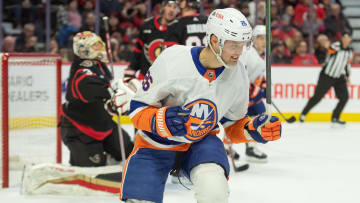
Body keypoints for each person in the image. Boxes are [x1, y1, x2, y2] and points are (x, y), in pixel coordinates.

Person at [119, 8, 282, 203]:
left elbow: (231, 126)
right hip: (156, 144)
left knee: (214, 192)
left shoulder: (239, 73)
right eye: (234, 45)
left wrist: (252, 129)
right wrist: (160, 120)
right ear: (214, 41)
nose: (239, 53)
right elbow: (137, 110)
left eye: (243, 45)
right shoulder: (173, 59)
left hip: (202, 142)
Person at [60, 31, 134, 167]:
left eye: (100, 45)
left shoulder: (98, 63)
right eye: (95, 46)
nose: (101, 49)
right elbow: (90, 86)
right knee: (94, 168)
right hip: (80, 130)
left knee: (129, 151)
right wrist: (112, 93)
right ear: (84, 50)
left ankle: (109, 153)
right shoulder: (81, 71)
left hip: (103, 123)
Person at [299, 31, 353, 125]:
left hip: (339, 76)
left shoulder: (349, 51)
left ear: (350, 40)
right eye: (345, 37)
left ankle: (335, 117)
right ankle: (303, 113)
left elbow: (347, 64)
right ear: (342, 38)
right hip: (327, 75)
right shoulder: (336, 45)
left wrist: (348, 76)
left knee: (344, 97)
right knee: (317, 97)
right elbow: (331, 50)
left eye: (348, 38)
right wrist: (328, 46)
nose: (346, 40)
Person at [124, 0, 179, 81]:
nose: (171, 10)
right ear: (163, 7)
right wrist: (131, 69)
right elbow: (138, 50)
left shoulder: (180, 27)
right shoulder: (147, 25)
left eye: (175, 7)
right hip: (145, 77)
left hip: (168, 78)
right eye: (169, 6)